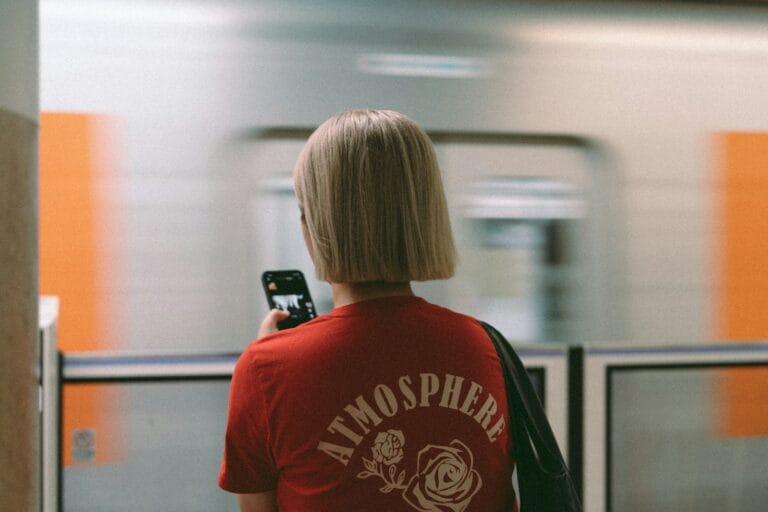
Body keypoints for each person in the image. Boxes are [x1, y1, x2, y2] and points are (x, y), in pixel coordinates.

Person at [218, 109, 514, 511]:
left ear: (315, 224)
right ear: (425, 216)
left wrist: (270, 365)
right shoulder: (485, 347)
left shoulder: (266, 369)